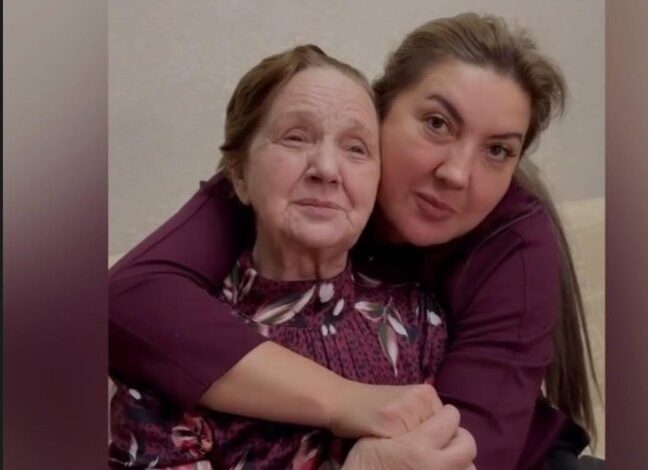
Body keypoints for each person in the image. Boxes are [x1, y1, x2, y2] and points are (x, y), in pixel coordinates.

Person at [109, 13, 599, 470]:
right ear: (379, 111)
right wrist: (346, 400)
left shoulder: (480, 269)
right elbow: (128, 298)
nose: (456, 173)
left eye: (498, 150)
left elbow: (457, 455)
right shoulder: (280, 184)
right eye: (436, 124)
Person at [109, 45, 474, 470]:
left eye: (357, 148)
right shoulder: (164, 345)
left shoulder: (421, 322)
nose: (327, 168)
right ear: (238, 174)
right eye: (296, 138)